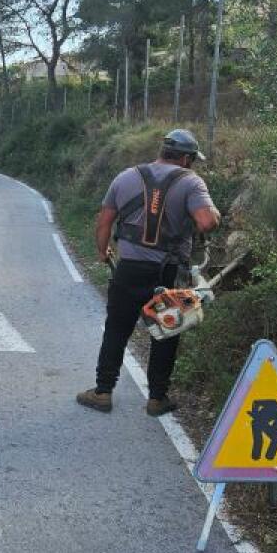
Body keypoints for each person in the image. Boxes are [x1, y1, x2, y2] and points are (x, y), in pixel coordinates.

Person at [76, 129, 221, 416]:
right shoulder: (191, 182)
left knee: (117, 330)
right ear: (187, 158)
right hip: (166, 274)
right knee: (166, 332)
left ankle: (103, 392)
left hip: (128, 270)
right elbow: (206, 222)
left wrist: (102, 251)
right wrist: (213, 215)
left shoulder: (126, 177)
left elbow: (104, 222)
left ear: (163, 151)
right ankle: (157, 399)